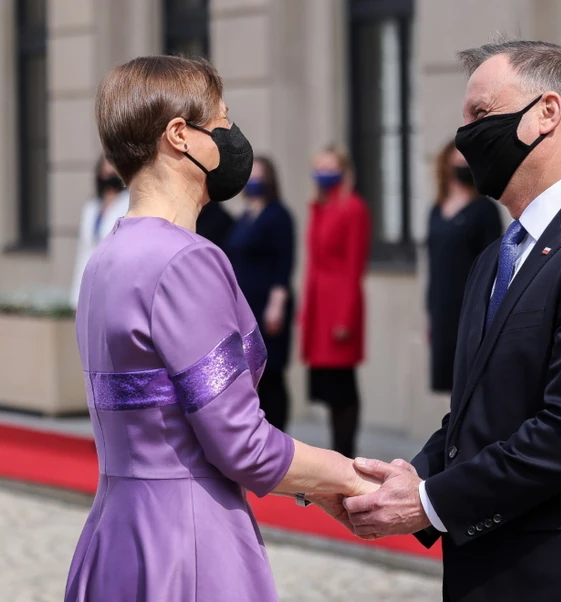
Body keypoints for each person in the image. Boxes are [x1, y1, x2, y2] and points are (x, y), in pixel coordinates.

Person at [344, 40, 561, 602]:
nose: (466, 137)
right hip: (493, 570)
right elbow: (481, 411)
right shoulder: (496, 257)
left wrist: (430, 502)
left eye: (481, 113)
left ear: (547, 113)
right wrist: (411, 475)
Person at [65, 56, 376, 602]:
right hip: (187, 540)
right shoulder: (186, 260)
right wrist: (348, 476)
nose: (232, 136)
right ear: (180, 135)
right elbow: (243, 445)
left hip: (115, 532)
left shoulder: (104, 259)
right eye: (223, 120)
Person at [300, 146, 371, 459]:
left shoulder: (353, 208)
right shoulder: (319, 207)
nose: (323, 173)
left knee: (342, 384)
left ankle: (346, 452)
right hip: (319, 306)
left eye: (329, 167)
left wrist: (345, 316)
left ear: (343, 171)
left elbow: (354, 267)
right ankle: (338, 451)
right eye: (319, 167)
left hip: (339, 305)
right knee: (328, 387)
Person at [427, 139, 501, 393]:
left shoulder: (485, 210)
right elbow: (433, 263)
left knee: (470, 380)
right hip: (441, 308)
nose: (462, 167)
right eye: (457, 161)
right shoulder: (436, 211)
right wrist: (430, 312)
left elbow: (494, 264)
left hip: (471, 305)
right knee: (448, 382)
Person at [227, 156, 295, 432]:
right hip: (247, 306)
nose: (254, 182)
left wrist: (277, 304)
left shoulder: (279, 215)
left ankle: (278, 433)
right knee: (251, 373)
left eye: (260, 176)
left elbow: (284, 264)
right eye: (250, 176)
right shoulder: (245, 217)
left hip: (268, 305)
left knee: (272, 372)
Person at [69, 155, 129, 308]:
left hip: (115, 283)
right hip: (91, 283)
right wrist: (76, 295)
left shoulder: (129, 204)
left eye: (113, 168)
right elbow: (84, 251)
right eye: (106, 167)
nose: (109, 172)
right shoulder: (91, 207)